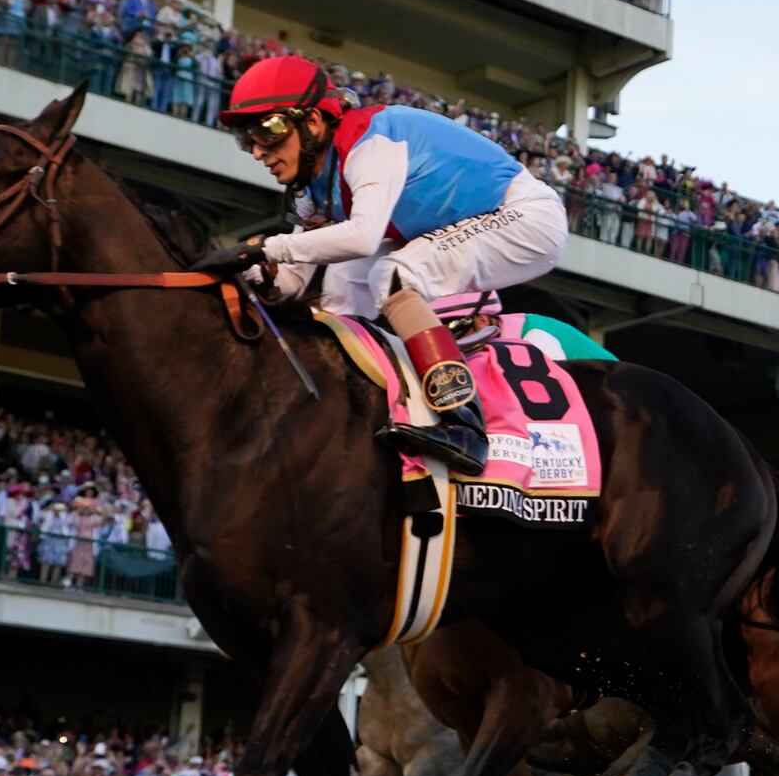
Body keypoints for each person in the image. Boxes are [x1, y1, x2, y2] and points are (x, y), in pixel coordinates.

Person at [212, 55, 567, 475]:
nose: (257, 151)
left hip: (526, 216)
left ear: (312, 123)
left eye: (267, 131)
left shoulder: (370, 142)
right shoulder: (312, 188)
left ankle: (463, 422)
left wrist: (266, 247)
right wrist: (242, 270)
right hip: (448, 226)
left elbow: (361, 235)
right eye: (246, 140)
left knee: (393, 273)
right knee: (341, 291)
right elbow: (289, 280)